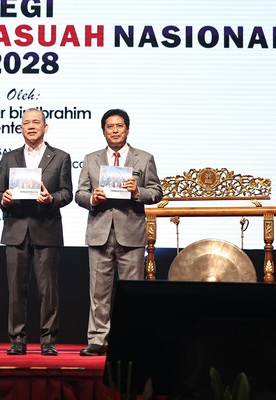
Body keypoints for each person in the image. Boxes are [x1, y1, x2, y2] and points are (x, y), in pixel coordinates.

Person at [75, 108, 162, 356]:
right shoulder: (91, 159)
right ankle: (97, 339)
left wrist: (138, 193)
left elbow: (156, 192)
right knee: (98, 291)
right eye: (110, 126)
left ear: (127, 129)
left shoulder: (143, 158)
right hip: (99, 231)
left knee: (132, 291)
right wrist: (92, 197)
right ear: (103, 130)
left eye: (119, 126)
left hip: (131, 232)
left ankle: (131, 339)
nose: (115, 130)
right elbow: (79, 194)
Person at [0, 108, 73, 356]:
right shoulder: (9, 158)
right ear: (20, 128)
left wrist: (51, 199)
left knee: (48, 290)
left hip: (46, 228)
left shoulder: (60, 157)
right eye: (26, 122)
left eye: (36, 122)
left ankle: (48, 339)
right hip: (16, 229)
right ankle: (17, 339)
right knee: (16, 289)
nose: (31, 126)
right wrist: (3, 199)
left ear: (45, 127)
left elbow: (67, 193)